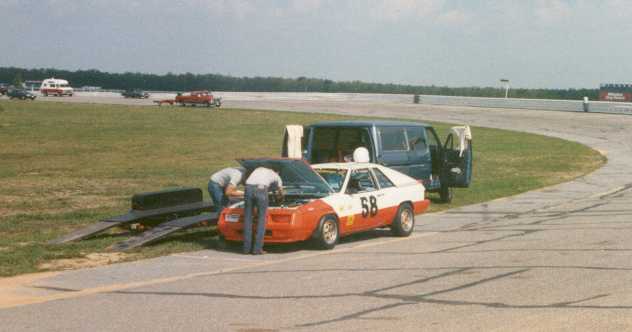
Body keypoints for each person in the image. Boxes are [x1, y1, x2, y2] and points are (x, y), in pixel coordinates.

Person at [242, 166, 283, 255]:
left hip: (248, 187)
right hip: (261, 189)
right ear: (277, 172)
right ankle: (257, 249)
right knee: (262, 219)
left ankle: (246, 249)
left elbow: (247, 181)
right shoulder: (277, 176)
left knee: (247, 219)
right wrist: (280, 198)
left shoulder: (258, 169)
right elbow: (280, 193)